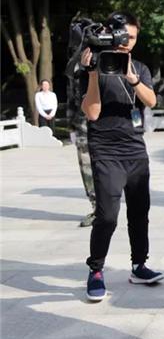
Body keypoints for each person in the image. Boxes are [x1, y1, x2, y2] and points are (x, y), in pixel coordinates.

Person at [80, 11, 163, 302]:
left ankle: (139, 265)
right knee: (107, 215)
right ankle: (96, 270)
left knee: (140, 212)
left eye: (133, 38)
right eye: (124, 36)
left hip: (135, 149)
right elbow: (92, 113)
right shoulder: (95, 67)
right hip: (105, 150)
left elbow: (151, 100)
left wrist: (133, 78)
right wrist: (91, 72)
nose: (127, 42)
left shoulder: (139, 66)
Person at [66, 38, 96, 228]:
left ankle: (108, 207)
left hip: (105, 123)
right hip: (83, 124)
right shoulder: (75, 67)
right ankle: (97, 207)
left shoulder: (107, 58)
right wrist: (71, 124)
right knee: (87, 167)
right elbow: (71, 96)